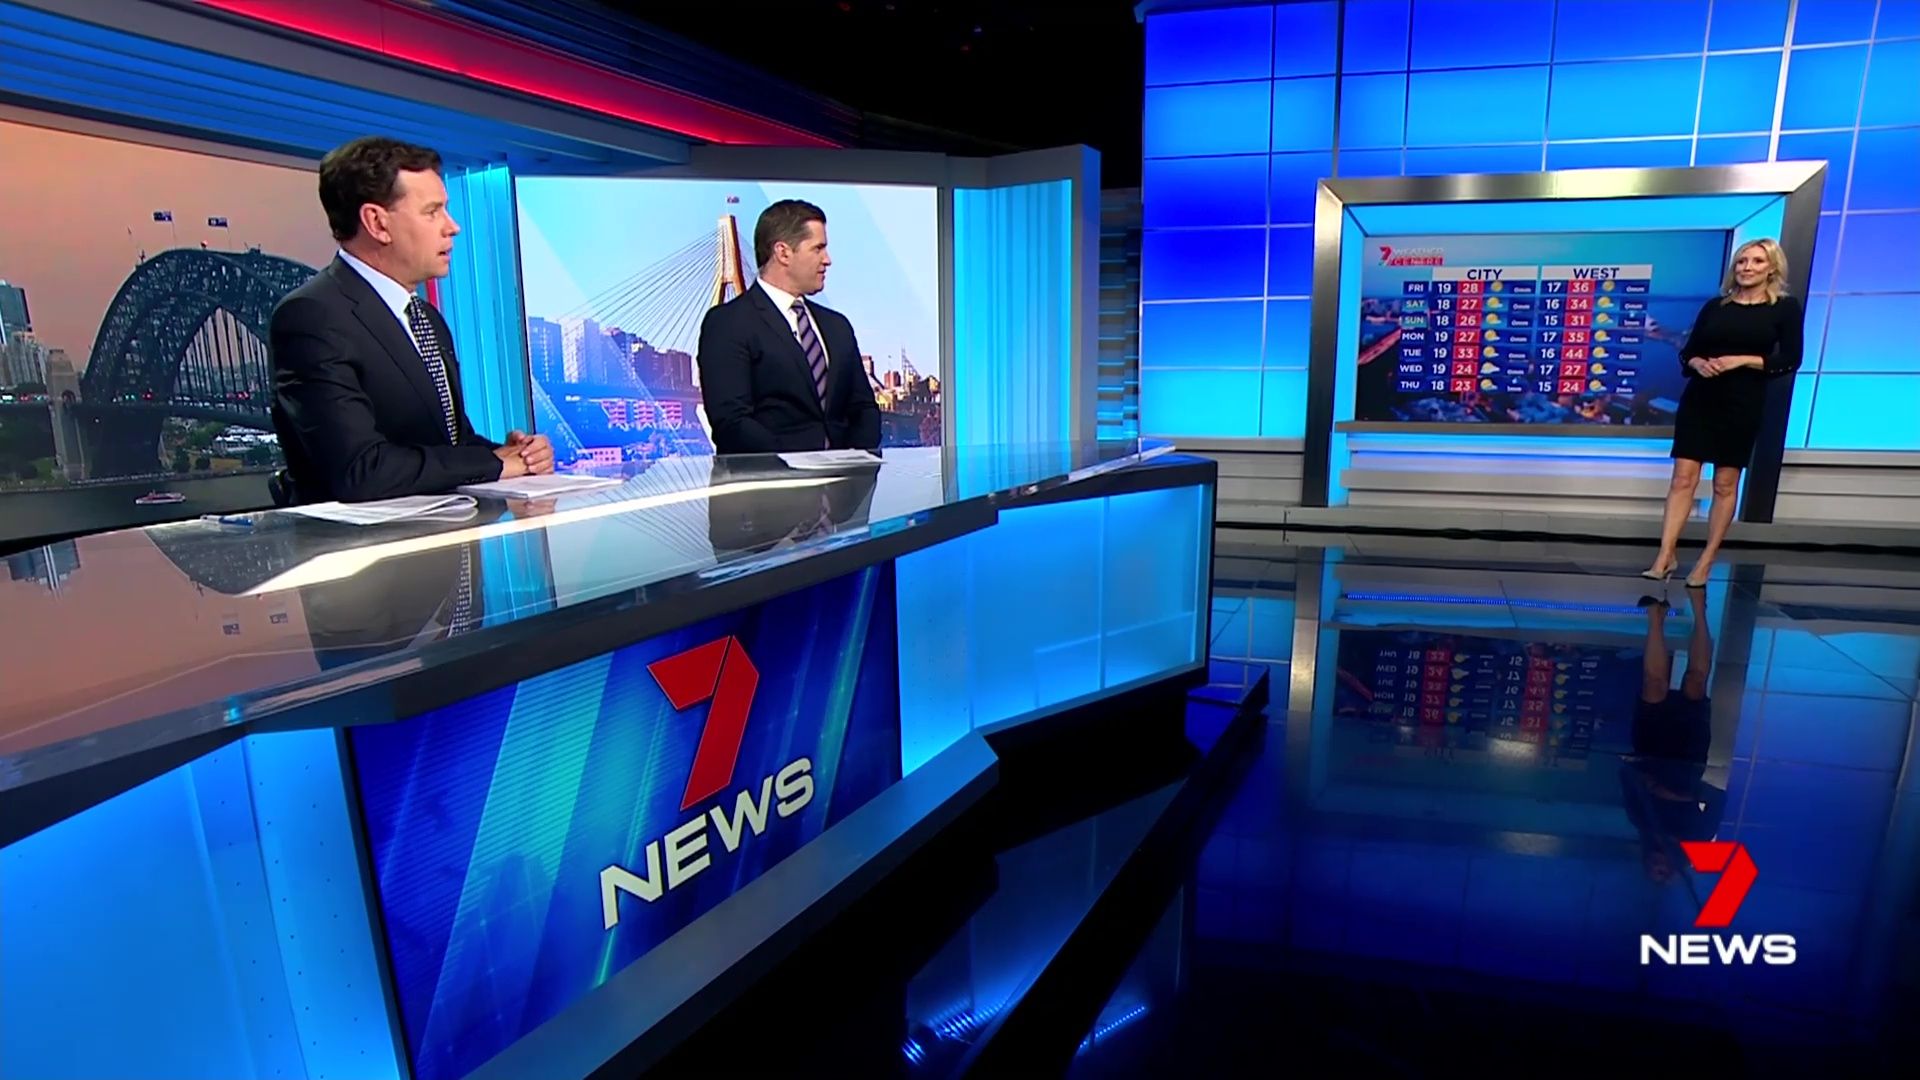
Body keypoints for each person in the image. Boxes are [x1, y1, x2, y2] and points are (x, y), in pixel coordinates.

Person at [270, 137, 552, 503]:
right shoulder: (312, 316)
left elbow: (448, 442)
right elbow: (360, 470)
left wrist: (516, 454)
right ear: (377, 223)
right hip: (367, 539)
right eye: (432, 212)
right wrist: (493, 464)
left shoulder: (426, 318)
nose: (453, 227)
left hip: (446, 532)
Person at [1643, 238, 1803, 587]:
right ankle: (1665, 555)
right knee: (1682, 478)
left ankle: (1706, 560)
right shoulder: (1716, 306)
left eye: (1757, 261)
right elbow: (1689, 351)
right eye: (1742, 261)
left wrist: (1742, 360)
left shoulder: (1784, 308)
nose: (1747, 267)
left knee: (1725, 483)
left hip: (1743, 401)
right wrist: (1697, 363)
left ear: (1772, 268)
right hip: (1701, 397)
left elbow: (1790, 359)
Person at [695, 199, 881, 455]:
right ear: (783, 253)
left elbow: (864, 410)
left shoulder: (837, 326)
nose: (827, 260)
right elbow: (732, 423)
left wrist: (854, 463)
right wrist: (798, 465)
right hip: (770, 478)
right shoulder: (728, 324)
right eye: (818, 249)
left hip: (845, 478)